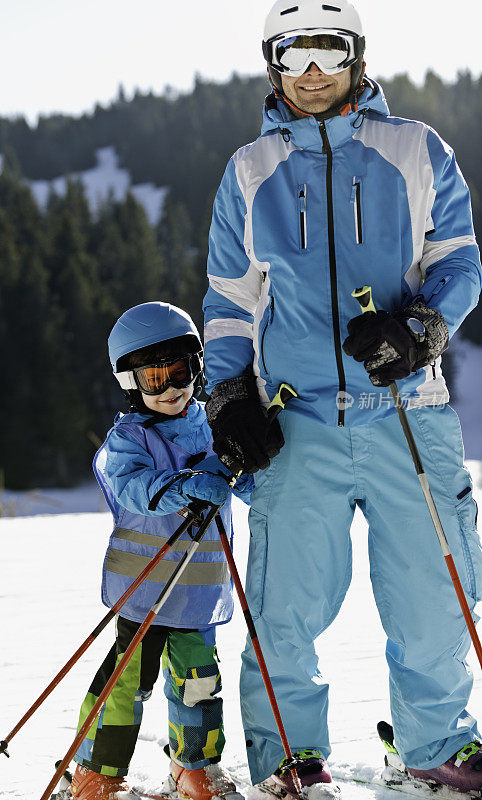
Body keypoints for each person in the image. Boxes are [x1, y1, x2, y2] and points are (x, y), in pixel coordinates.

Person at [202, 0, 482, 796]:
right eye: (295, 55)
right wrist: (229, 398)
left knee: (434, 596)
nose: (314, 71)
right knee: (283, 608)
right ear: (273, 65)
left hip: (405, 413)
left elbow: (459, 260)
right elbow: (227, 302)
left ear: (358, 57)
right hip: (297, 424)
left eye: (330, 50)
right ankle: (290, 755)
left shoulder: (415, 149)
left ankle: (435, 745)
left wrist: (421, 328)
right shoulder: (249, 170)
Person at [68, 301, 252, 800]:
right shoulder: (129, 438)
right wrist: (188, 485)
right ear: (132, 383)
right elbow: (131, 488)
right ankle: (96, 769)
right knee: (125, 685)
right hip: (142, 592)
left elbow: (250, 487)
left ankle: (194, 766)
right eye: (155, 379)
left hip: (196, 596)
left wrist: (250, 455)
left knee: (198, 683)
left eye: (181, 372)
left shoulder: (215, 423)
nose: (172, 389)